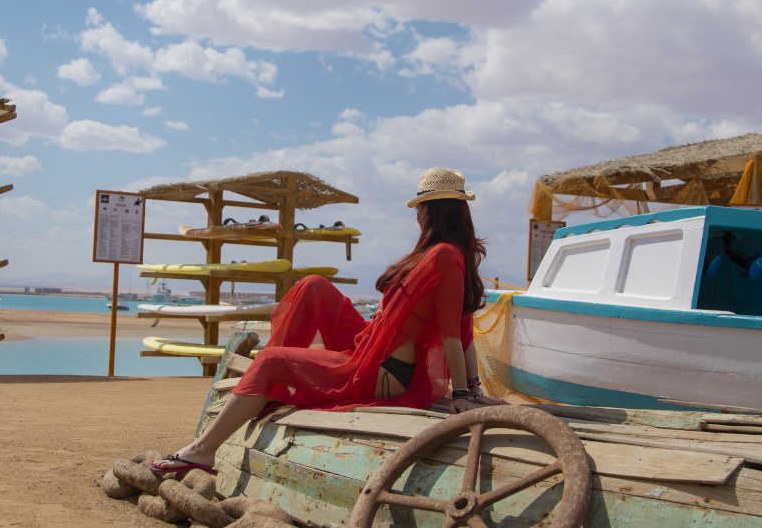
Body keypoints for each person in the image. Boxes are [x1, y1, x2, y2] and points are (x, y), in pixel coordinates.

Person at [149, 168, 502, 477]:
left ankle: (203, 450)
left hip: (379, 371)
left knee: (270, 361)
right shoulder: (450, 255)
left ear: (429, 213)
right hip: (373, 346)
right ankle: (271, 383)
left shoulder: (443, 257)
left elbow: (453, 334)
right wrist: (473, 388)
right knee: (313, 286)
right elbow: (464, 330)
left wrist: (461, 394)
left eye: (420, 209)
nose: (417, 217)